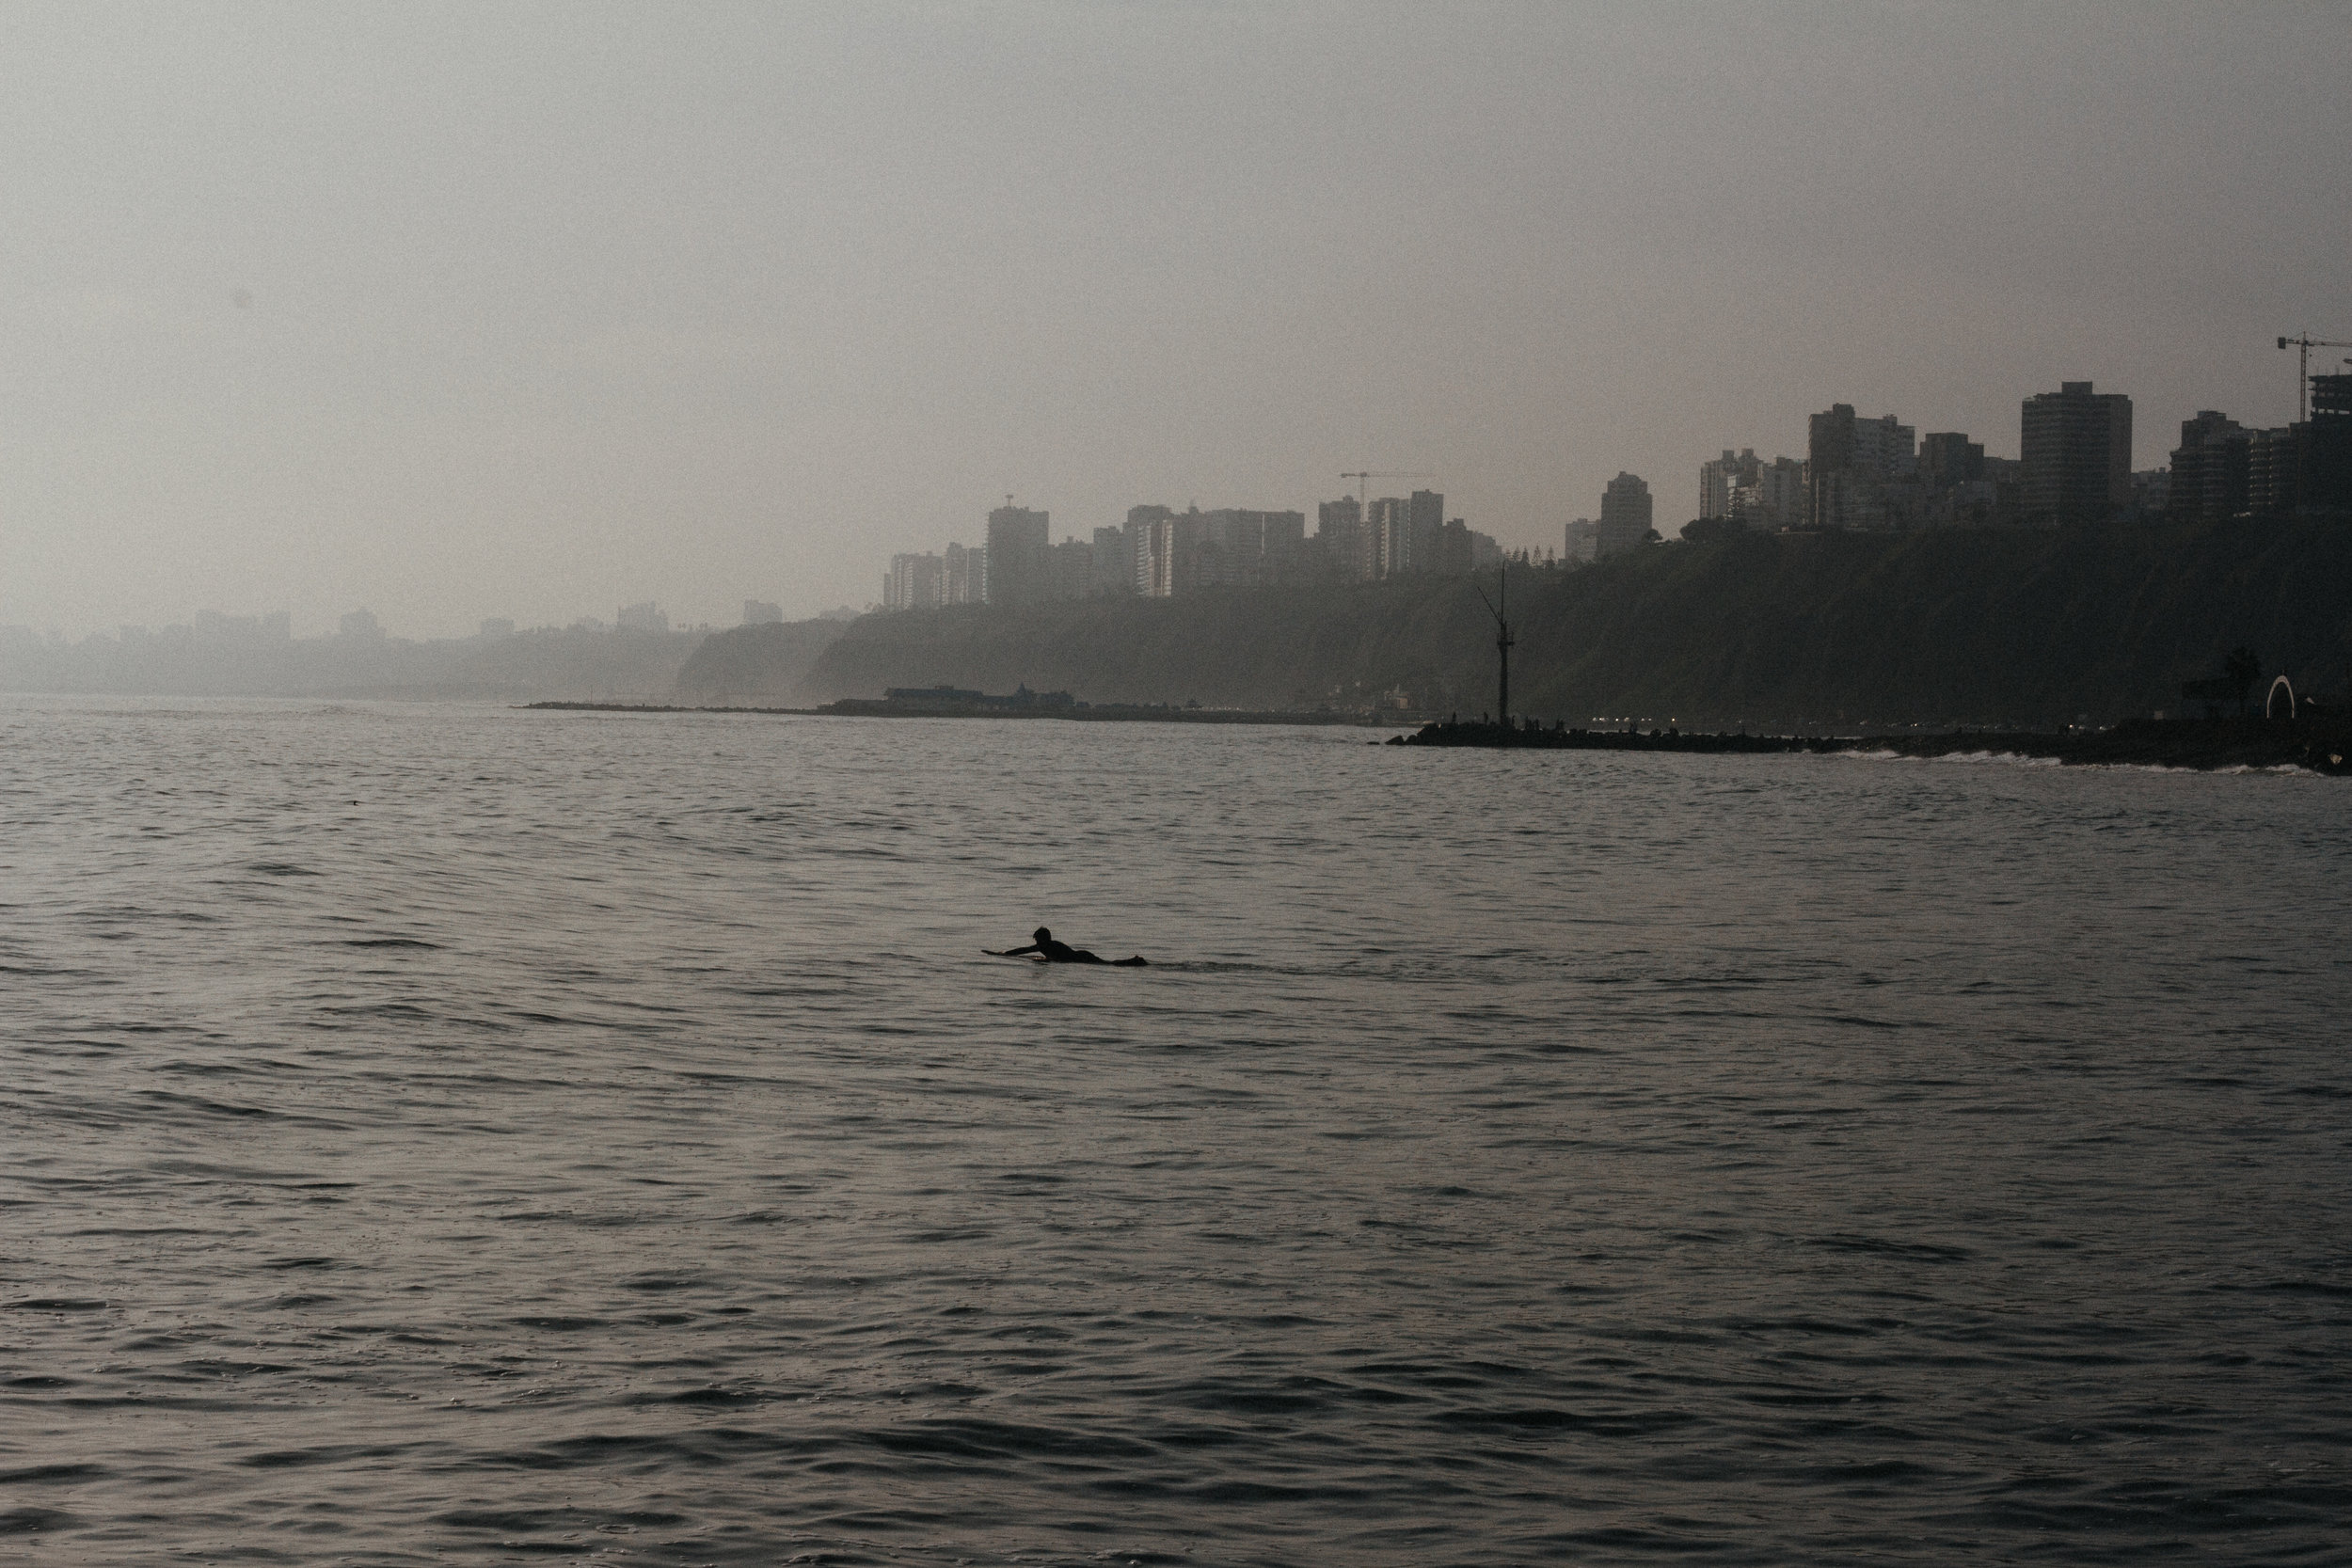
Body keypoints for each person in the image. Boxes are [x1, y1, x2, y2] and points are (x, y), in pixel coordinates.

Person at [988, 926, 1148, 966]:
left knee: (1108, 964)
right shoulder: (1047, 945)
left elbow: (1022, 950)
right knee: (1108, 963)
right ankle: (1133, 961)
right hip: (1081, 955)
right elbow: (1024, 950)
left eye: (1037, 940)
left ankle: (1134, 961)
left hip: (1081, 957)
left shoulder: (1046, 946)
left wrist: (1002, 954)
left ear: (1043, 939)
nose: (1036, 943)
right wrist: (1004, 953)